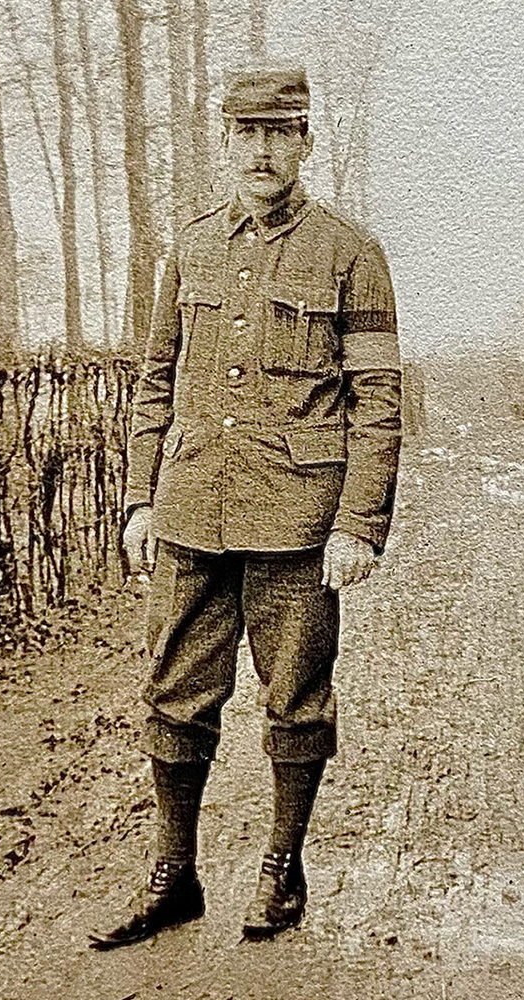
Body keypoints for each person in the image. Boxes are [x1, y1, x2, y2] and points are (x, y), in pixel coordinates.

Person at [89, 64, 402, 949]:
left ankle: (280, 867)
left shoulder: (350, 251)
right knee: (174, 696)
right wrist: (139, 498)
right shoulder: (190, 246)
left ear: (304, 142)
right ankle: (173, 874)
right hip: (190, 512)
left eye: (280, 132)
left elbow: (378, 399)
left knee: (295, 700)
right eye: (246, 133)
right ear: (224, 142)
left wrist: (358, 524)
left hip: (297, 523)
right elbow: (158, 380)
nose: (262, 150)